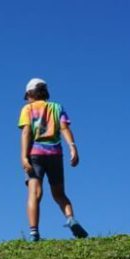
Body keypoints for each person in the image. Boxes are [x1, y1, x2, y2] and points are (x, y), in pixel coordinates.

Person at [18, 78, 88, 241]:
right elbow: (64, 127)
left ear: (30, 93)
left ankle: (34, 232)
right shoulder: (57, 107)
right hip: (55, 154)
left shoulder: (27, 109)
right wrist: (72, 146)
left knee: (34, 192)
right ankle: (71, 219)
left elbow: (26, 133)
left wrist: (23, 157)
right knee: (59, 193)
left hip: (35, 154)